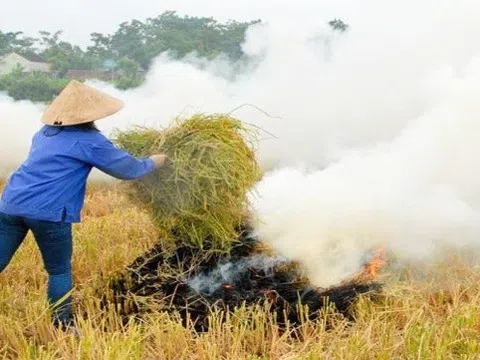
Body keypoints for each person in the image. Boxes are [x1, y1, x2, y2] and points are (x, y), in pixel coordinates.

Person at [0, 80, 166, 330]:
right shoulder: (90, 141)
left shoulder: (44, 133)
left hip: (10, 204)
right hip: (49, 212)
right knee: (58, 270)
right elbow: (129, 169)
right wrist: (155, 161)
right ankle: (63, 325)